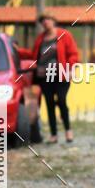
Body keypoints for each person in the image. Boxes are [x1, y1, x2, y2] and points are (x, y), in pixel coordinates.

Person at [18, 12, 77, 143]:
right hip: (43, 76)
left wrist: (70, 68)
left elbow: (73, 54)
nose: (45, 22)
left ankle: (68, 131)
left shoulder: (64, 35)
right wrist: (18, 51)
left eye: (48, 19)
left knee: (61, 100)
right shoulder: (40, 39)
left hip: (61, 75)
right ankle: (54, 134)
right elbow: (34, 55)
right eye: (43, 20)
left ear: (53, 20)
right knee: (49, 103)